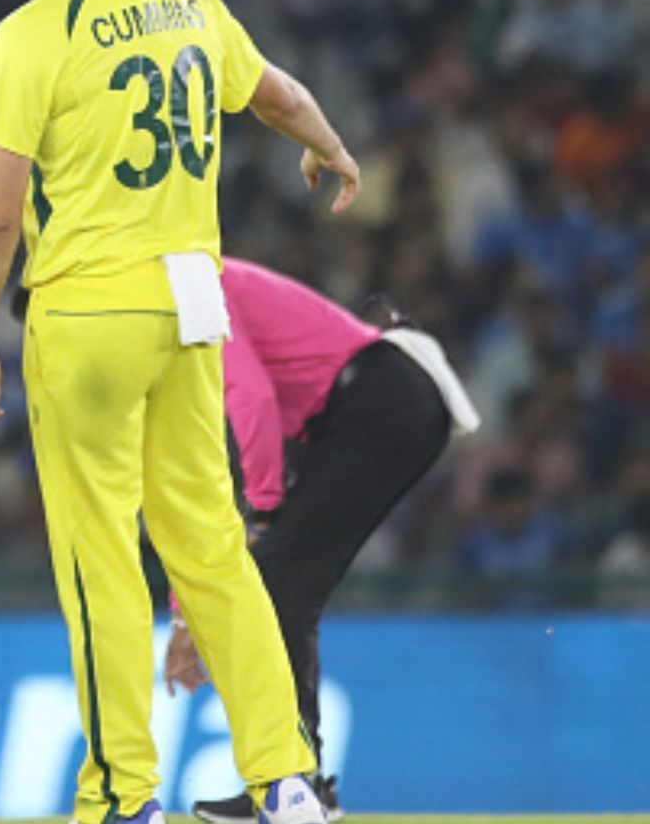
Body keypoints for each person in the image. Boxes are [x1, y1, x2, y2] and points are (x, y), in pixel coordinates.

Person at [0, 0, 362, 824]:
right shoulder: (189, 0)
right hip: (191, 303)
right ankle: (287, 776)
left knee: (100, 565)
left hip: (89, 310)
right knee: (212, 549)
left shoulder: (33, 34)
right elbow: (282, 95)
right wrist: (331, 151)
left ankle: (121, 795)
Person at [166, 259, 479, 824]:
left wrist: (264, 507)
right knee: (286, 588)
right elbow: (188, 486)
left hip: (378, 398)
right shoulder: (183, 287)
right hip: (380, 400)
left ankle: (295, 783)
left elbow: (252, 399)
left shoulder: (187, 284)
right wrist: (185, 616)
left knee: (281, 587)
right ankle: (298, 783)